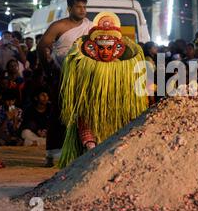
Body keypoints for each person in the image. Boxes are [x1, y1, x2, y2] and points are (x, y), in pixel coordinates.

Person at [58, 12, 148, 168]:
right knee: (85, 117)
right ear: (92, 47)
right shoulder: (86, 63)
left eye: (109, 48)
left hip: (117, 108)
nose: (105, 51)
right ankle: (90, 150)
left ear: (117, 48)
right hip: (92, 106)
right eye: (101, 48)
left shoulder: (124, 66)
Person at [37, 0, 93, 167]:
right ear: (70, 8)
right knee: (59, 113)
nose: (82, 10)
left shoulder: (90, 26)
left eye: (84, 7)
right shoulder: (58, 26)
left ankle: (81, 149)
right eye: (78, 7)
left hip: (84, 76)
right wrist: (48, 69)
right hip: (61, 75)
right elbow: (42, 46)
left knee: (84, 112)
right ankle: (52, 153)